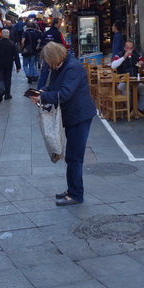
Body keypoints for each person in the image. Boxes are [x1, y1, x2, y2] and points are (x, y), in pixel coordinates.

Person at [29, 42, 96, 207]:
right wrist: (43, 91)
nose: (49, 65)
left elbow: (65, 94)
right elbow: (53, 86)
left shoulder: (72, 68)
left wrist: (43, 98)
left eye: (49, 61)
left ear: (55, 57)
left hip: (79, 116)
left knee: (74, 157)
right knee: (72, 156)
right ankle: (72, 188)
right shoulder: (60, 66)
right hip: (73, 115)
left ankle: (76, 194)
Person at [110, 41, 144, 114]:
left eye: (131, 48)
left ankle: (138, 109)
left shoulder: (137, 55)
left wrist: (143, 63)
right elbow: (113, 65)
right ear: (124, 48)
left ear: (133, 48)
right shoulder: (119, 55)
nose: (129, 50)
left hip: (135, 81)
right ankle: (129, 109)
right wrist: (124, 57)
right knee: (127, 93)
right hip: (123, 81)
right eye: (127, 48)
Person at [0, 28, 21, 102]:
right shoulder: (12, 43)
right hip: (8, 64)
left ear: (1, 34)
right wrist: (18, 66)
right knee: (8, 79)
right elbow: (16, 56)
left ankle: (0, 90)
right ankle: (7, 94)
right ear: (9, 35)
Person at [37, 18, 67, 89]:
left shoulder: (45, 33)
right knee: (55, 74)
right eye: (59, 24)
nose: (60, 25)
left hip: (46, 56)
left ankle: (38, 91)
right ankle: (53, 89)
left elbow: (41, 44)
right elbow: (63, 44)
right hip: (56, 57)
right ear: (56, 24)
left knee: (44, 75)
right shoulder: (58, 34)